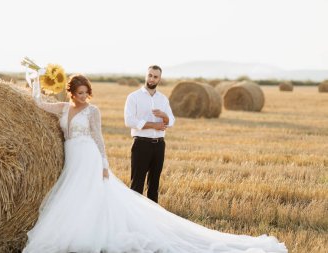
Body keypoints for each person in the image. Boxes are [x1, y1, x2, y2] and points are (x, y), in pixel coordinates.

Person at [22, 73, 288, 253]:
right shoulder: (63, 108)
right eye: (79, 92)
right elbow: (37, 103)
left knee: (92, 195)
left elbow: (99, 138)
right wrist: (33, 78)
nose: (83, 96)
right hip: (72, 156)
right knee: (73, 195)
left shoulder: (93, 111)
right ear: (71, 92)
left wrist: (104, 163)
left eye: (85, 92)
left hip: (89, 156)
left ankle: (86, 234)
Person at [124, 65, 175, 203]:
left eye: (155, 77)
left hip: (159, 145)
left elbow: (171, 121)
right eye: (150, 75)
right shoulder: (133, 97)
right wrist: (153, 125)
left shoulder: (163, 99)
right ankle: (134, 216)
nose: (152, 79)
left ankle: (153, 218)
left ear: (159, 79)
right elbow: (129, 120)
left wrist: (165, 116)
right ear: (146, 76)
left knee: (154, 186)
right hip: (141, 144)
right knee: (137, 185)